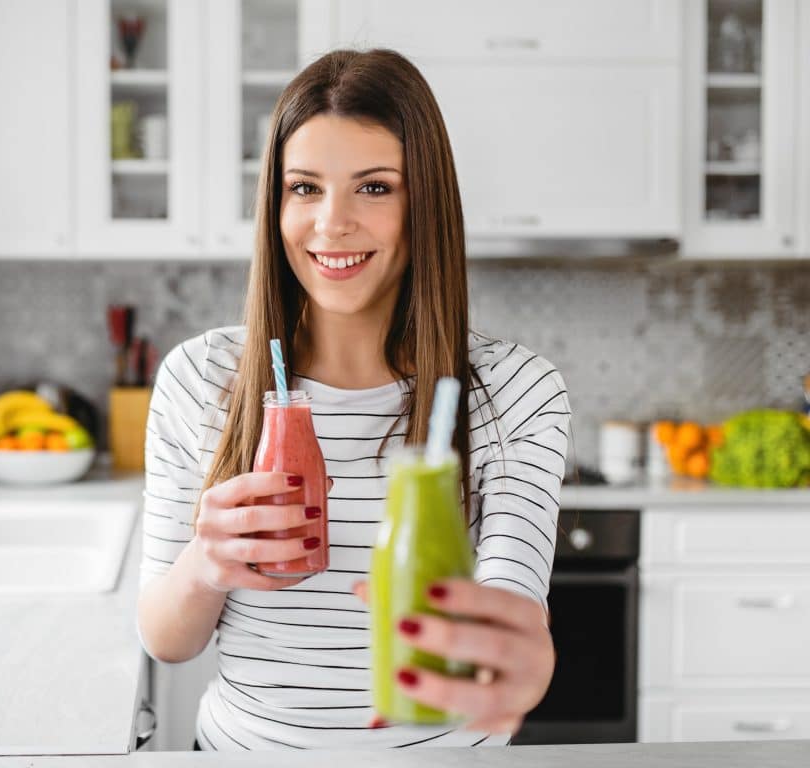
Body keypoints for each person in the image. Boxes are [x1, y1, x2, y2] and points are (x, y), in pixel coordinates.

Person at [137, 48, 571, 751]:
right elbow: (165, 640)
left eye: (374, 188)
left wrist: (510, 648)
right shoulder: (201, 378)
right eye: (304, 188)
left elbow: (515, 600)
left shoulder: (515, 393)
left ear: (422, 202)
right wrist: (206, 563)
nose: (331, 223)